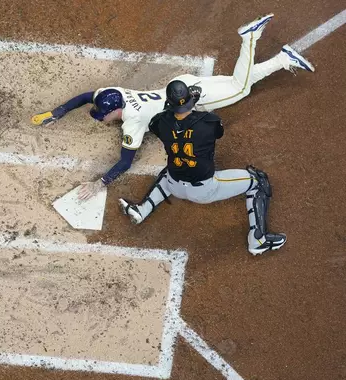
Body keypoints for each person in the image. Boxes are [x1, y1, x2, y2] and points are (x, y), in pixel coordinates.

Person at [31, 13, 314, 200]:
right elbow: (86, 97)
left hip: (193, 98)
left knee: (240, 88)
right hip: (180, 84)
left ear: (116, 111)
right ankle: (282, 60)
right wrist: (58, 112)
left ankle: (250, 37)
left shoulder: (134, 121)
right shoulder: (114, 92)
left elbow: (126, 161)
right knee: (235, 81)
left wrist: (100, 183)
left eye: (103, 116)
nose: (102, 119)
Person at [118, 79, 286, 255]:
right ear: (190, 101)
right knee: (258, 180)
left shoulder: (159, 122)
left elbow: (166, 121)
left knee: (169, 169)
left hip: (174, 185)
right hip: (205, 190)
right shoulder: (209, 121)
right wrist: (194, 105)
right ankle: (258, 240)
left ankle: (142, 210)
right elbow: (216, 131)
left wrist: (182, 110)